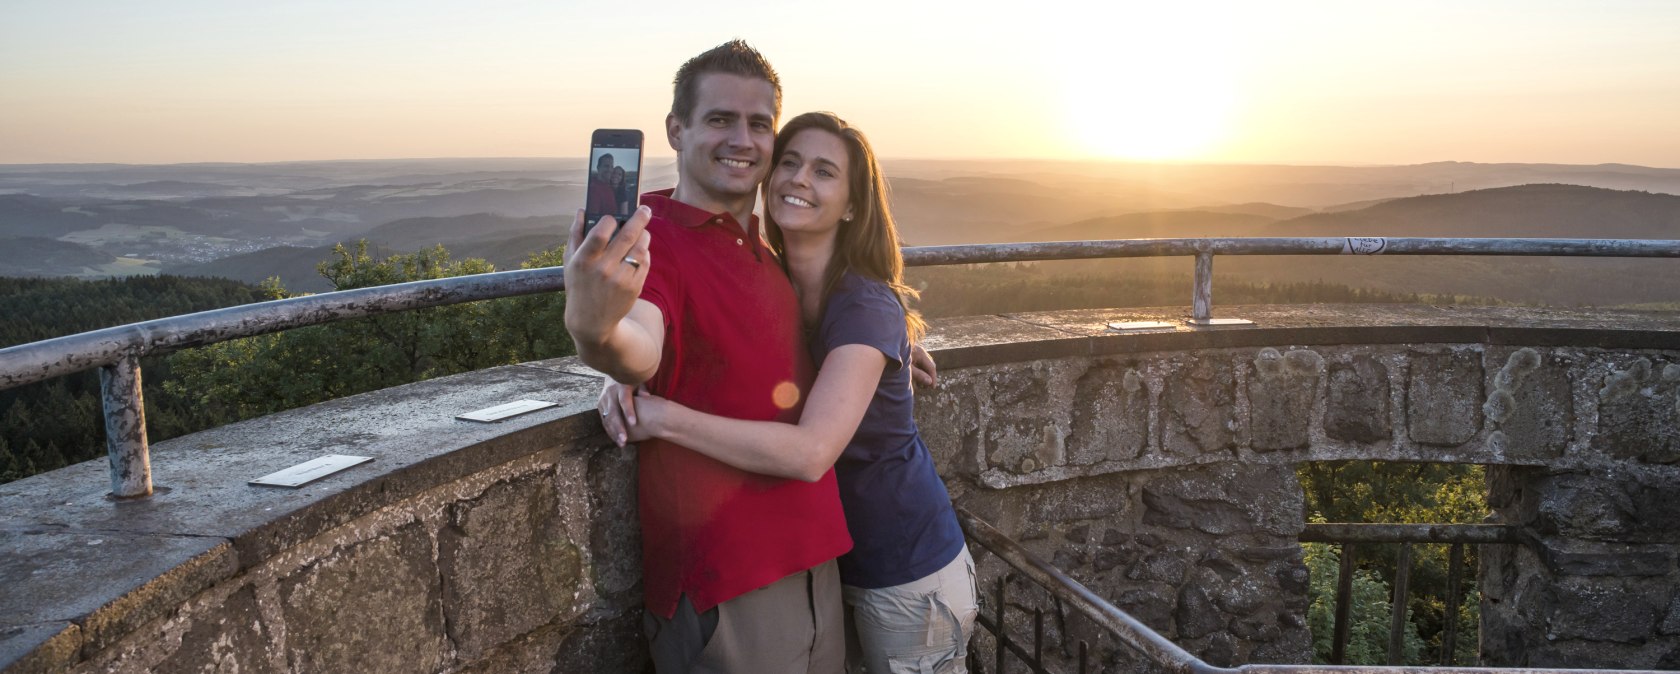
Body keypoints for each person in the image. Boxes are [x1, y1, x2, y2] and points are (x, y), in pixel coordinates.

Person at [604, 112, 977, 673]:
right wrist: (618, 366)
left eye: (825, 172)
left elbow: (810, 453)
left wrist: (660, 418)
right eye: (791, 162)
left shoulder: (863, 305)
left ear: (852, 205)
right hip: (837, 564)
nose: (800, 179)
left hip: (905, 571)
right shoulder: (775, 276)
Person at [564, 40, 859, 673]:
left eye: (759, 124)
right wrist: (595, 329)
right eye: (721, 119)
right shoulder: (657, 240)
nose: (743, 140)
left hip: (813, 557)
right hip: (729, 582)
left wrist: (890, 346)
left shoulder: (762, 242)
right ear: (677, 129)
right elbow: (639, 345)